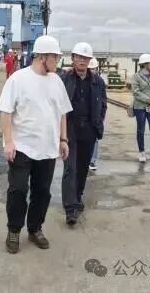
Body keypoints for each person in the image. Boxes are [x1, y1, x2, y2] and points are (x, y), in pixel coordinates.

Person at [0, 35, 72, 254]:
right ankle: (13, 230)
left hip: (48, 148)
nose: (57, 61)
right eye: (55, 57)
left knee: (42, 192)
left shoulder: (56, 81)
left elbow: (62, 113)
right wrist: (9, 142)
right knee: (18, 190)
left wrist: (63, 139)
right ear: (42, 57)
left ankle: (35, 228)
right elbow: (5, 112)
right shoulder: (18, 79)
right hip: (22, 147)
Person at [60, 43, 107, 225]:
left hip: (89, 128)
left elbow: (103, 104)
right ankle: (70, 208)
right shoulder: (64, 79)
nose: (82, 61)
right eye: (79, 57)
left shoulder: (98, 82)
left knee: (82, 167)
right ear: (73, 58)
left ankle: (78, 196)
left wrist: (98, 123)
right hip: (70, 127)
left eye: (85, 58)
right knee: (70, 168)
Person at [88, 58, 101, 171]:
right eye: (90, 69)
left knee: (95, 139)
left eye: (94, 69)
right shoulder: (81, 80)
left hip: (96, 116)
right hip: (84, 116)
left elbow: (103, 101)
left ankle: (92, 161)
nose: (92, 71)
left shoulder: (100, 82)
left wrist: (101, 116)